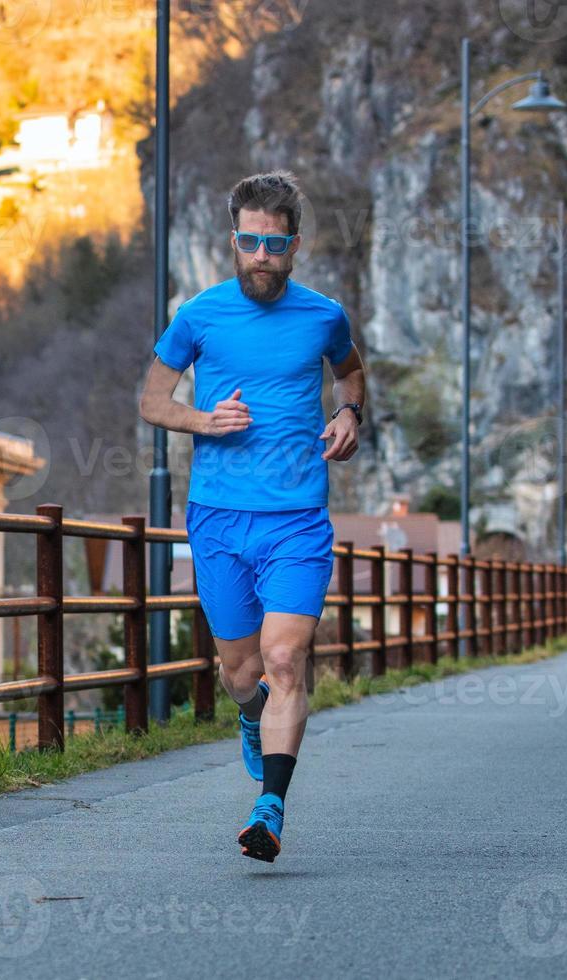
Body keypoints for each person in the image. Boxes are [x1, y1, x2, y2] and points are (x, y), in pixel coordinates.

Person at [138, 170, 367, 862]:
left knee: (284, 658)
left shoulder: (324, 316)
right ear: (232, 240)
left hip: (296, 519)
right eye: (249, 241)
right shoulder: (200, 316)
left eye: (274, 244)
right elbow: (152, 400)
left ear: (294, 246)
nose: (261, 255)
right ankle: (249, 712)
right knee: (241, 673)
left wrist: (349, 412)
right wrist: (204, 420)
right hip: (218, 520)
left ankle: (270, 807)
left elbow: (350, 373)